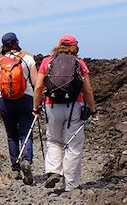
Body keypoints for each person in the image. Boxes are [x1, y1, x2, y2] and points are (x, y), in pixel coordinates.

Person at [33, 35, 97, 192]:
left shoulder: (48, 62)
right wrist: (92, 109)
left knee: (54, 140)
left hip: (52, 106)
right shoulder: (79, 63)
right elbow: (87, 90)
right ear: (75, 47)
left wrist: (36, 106)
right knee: (73, 145)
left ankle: (54, 171)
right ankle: (71, 185)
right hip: (75, 106)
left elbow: (39, 87)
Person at [0, 32, 38, 183]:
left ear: (3, 45)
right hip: (26, 99)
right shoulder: (28, 59)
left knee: (11, 135)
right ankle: (26, 160)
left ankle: (15, 168)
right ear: (17, 42)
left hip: (6, 101)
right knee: (26, 133)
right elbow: (36, 83)